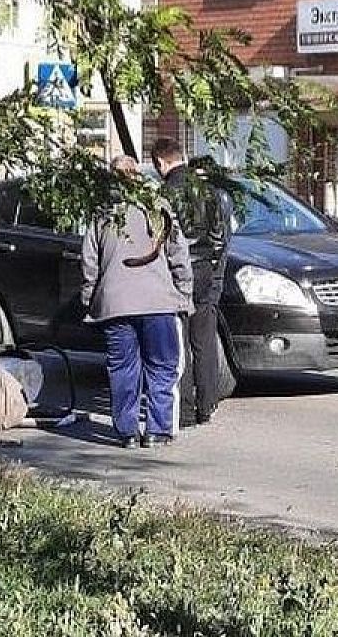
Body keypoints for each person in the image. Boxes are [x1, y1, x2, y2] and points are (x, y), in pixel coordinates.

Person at [81, 155, 194, 448]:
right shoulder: (157, 207)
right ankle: (157, 430)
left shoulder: (102, 212)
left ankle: (127, 432)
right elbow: (178, 254)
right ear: (138, 176)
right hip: (157, 302)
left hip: (115, 305)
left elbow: (89, 262)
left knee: (123, 368)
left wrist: (90, 299)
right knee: (162, 366)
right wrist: (184, 295)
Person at [151, 137, 234, 426]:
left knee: (179, 341)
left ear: (161, 163)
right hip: (207, 272)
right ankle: (206, 404)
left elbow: (160, 240)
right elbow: (221, 237)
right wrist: (214, 273)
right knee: (204, 340)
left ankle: (184, 410)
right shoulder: (208, 191)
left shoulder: (164, 193)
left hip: (178, 272)